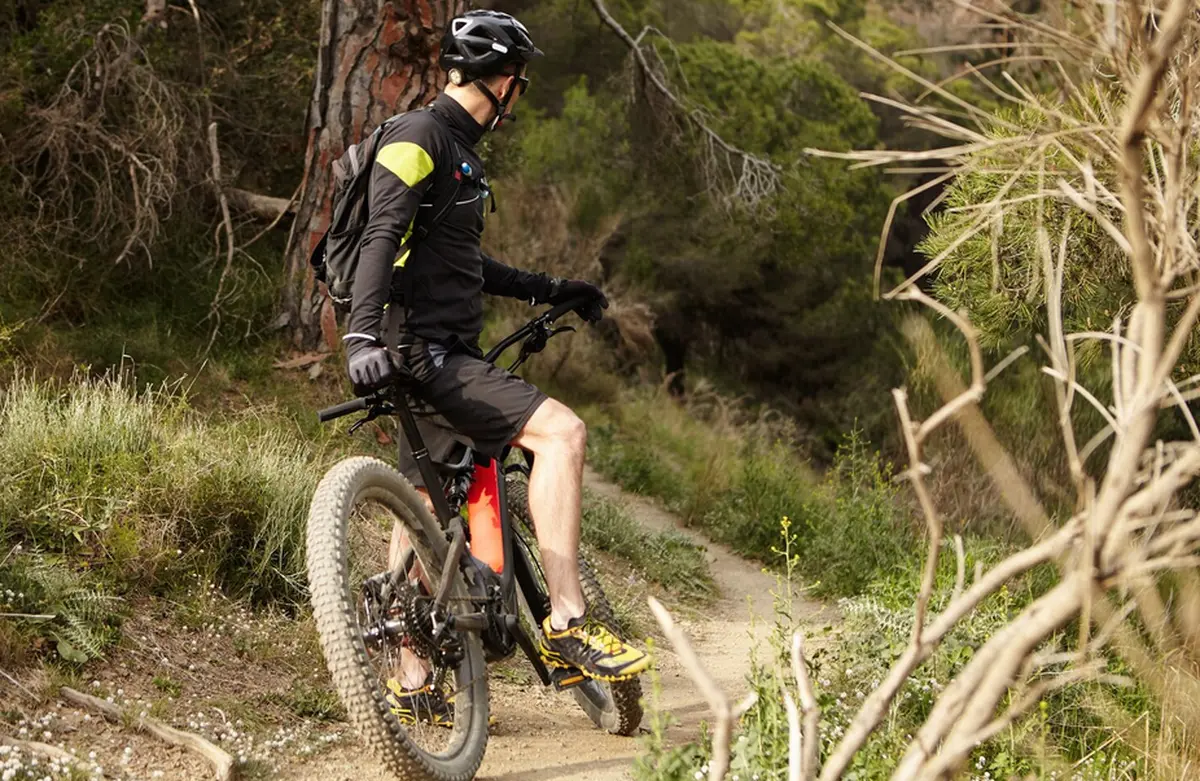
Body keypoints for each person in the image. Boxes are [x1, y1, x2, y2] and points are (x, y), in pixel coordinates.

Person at [340, 9, 652, 726]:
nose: (520, 93)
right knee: (561, 434)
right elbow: (381, 234)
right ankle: (570, 621)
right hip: (422, 349)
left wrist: (551, 289)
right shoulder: (422, 135)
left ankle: (411, 669)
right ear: (501, 79)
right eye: (520, 80)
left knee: (425, 493)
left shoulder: (458, 152)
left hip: (423, 349)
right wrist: (360, 337)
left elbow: (462, 264)